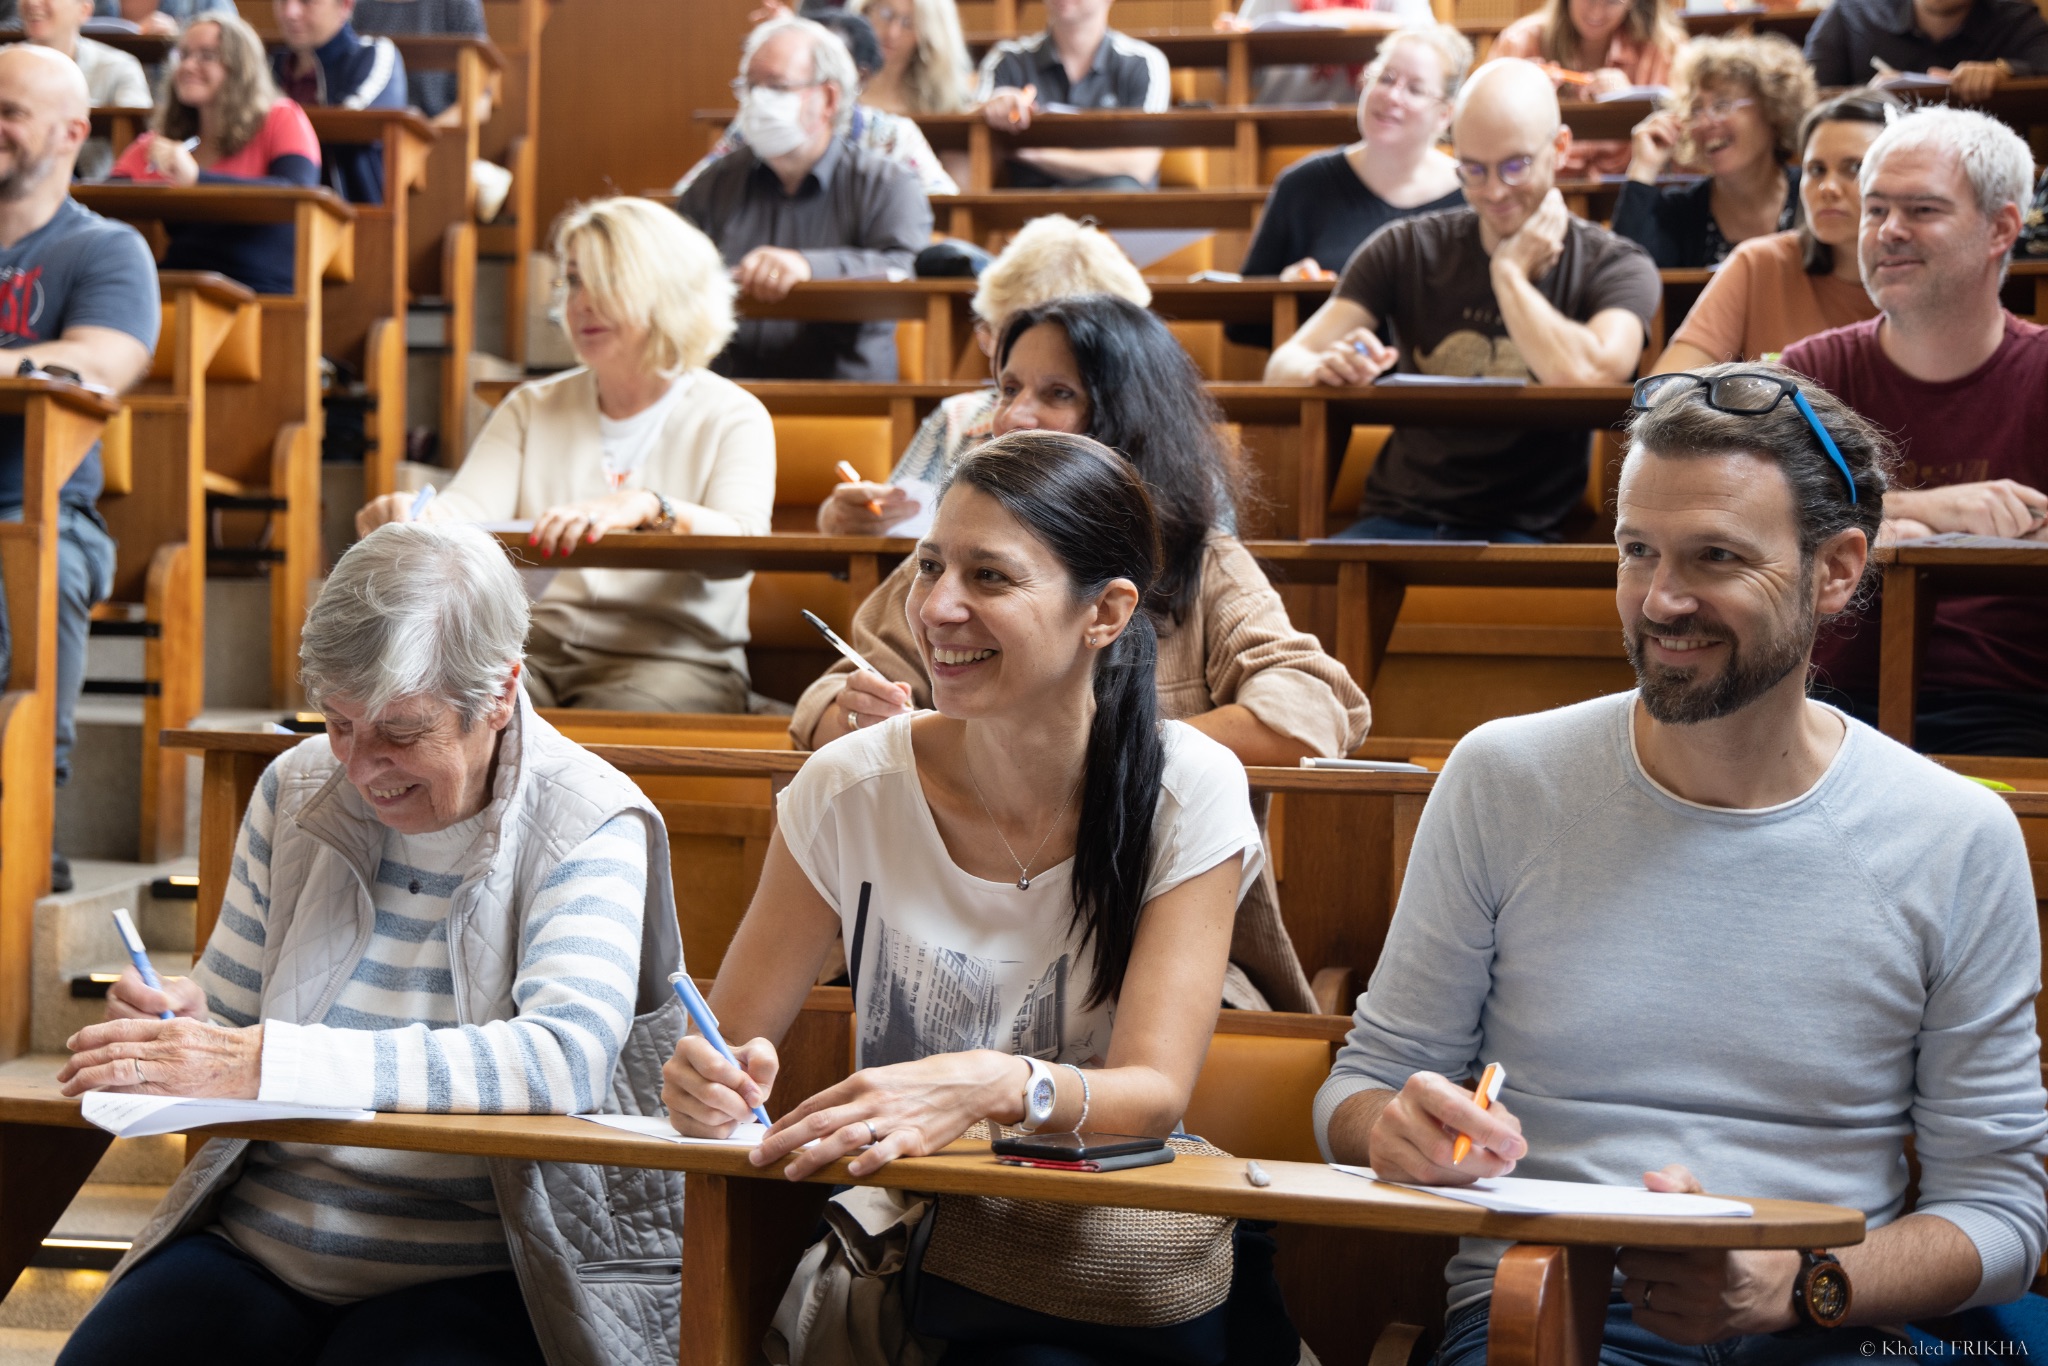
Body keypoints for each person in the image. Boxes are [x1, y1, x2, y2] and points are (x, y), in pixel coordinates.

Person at [1317, 361, 2048, 1362]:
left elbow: (2001, 1213)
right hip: (1548, 1313)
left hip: (1823, 1324)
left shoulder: (1952, 834)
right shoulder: (1502, 777)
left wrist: (1801, 1287)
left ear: (1834, 570)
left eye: (1712, 557)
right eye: (1634, 552)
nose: (1659, 601)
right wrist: (1383, 1129)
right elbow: (1359, 1084)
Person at [665, 432, 1312, 1363]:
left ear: (1107, 612)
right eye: (930, 566)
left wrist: (991, 1084)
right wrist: (706, 1089)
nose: (935, 609)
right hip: (916, 1251)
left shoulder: (1189, 786)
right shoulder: (844, 786)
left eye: (991, 578)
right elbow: (725, 1054)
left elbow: (1152, 1094)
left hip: (1101, 1250)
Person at [54, 522, 690, 1366]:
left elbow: (563, 1059)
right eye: (340, 722)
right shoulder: (296, 786)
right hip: (266, 1240)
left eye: (402, 730)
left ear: (499, 694)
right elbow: (234, 1012)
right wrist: (185, 1016)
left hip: (484, 1263)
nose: (361, 766)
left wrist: (280, 1063)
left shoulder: (588, 819)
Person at [797, 295, 1371, 1014]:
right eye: (1007, 389)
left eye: (1057, 393)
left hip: (1144, 942)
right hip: (951, 938)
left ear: (1126, 416)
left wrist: (1088, 757)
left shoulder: (1200, 562)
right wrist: (854, 716)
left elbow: (1310, 708)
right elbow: (826, 700)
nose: (1013, 415)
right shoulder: (955, 553)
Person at [356, 199, 773, 714]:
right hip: (533, 651)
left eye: (605, 280)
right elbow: (462, 513)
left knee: (605, 732)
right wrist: (412, 515)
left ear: (667, 290)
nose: (581, 304)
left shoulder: (734, 414)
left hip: (675, 657)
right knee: (446, 709)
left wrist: (652, 506)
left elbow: (744, 545)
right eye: (573, 281)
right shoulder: (531, 405)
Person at [1265, 58, 1660, 543]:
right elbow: (1283, 365)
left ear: (1560, 148)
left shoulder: (1617, 264)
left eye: (1515, 166)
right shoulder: (1404, 246)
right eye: (1473, 170)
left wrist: (1509, 275)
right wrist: (1326, 367)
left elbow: (1591, 374)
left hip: (1525, 531)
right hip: (1397, 516)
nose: (1494, 191)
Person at [1781, 106, 2048, 756]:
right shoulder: (1810, 373)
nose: (1888, 232)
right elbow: (1759, 524)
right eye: (1876, 211)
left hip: (2014, 714)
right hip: (1820, 714)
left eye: (1922, 211)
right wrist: (1919, 510)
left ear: (2001, 228)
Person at [0, 46, 156, 893]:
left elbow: (97, 364)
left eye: (9, 111)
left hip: (41, 507)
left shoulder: (106, 250)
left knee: (43, 565)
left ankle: (30, 822)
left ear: (72, 131)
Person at [817, 212, 1150, 536]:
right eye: (1006, 340)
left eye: (1059, 391)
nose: (1017, 414)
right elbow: (888, 523)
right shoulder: (957, 418)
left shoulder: (1152, 435)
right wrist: (843, 521)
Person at [679, 16, 931, 382]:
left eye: (776, 87)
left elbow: (905, 269)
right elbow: (673, 269)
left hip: (847, 401)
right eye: (749, 87)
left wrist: (809, 268)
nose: (757, 101)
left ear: (828, 98)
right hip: (729, 393)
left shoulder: (887, 183)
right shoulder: (715, 183)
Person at [1231, 25, 1470, 350]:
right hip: (1329, 386)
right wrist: (1285, 292)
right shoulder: (1302, 185)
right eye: (1385, 78)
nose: (1392, 96)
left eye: (1415, 89)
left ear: (1445, 115)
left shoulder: (1473, 194)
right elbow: (1239, 324)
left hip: (1441, 393)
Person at [1653, 93, 1890, 372]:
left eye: (1855, 168)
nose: (1827, 187)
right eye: (1816, 169)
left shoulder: (1929, 273)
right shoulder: (1758, 263)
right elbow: (1665, 391)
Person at [110, 14, 321, 298]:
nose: (187, 66)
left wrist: (197, 179)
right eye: (182, 55)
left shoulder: (282, 117)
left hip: (258, 287)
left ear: (240, 67)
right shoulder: (164, 140)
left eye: (206, 56)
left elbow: (297, 195)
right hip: (182, 279)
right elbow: (106, 197)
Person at [675, 8, 957, 199]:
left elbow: (943, 207)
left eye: (827, 65)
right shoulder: (756, 124)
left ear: (856, 78)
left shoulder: (892, 135)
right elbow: (686, 195)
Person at [1611, 34, 1810, 269]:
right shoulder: (1682, 213)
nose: (1705, 122)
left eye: (1722, 105)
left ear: (1772, 110)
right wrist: (1643, 168)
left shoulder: (1811, 196)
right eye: (1696, 110)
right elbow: (1624, 271)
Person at [975, 0, 1169, 190]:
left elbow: (1141, 165)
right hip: (1026, 208)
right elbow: (968, 122)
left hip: (1112, 209)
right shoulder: (1007, 59)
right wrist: (993, 107)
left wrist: (1036, 154)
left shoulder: (1144, 63)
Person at [1488, 0, 1684, 178]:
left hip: (1631, 191)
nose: (1597, 11)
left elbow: (1684, 142)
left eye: (1612, 1)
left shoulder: (1664, 49)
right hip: (1537, 189)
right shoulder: (1519, 43)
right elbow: (1483, 128)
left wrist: (1630, 101)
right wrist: (1522, 98)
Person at [271, 0, 408, 206]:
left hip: (352, 218)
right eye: (281, 1)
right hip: (270, 212)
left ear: (345, 5)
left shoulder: (373, 54)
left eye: (307, 2)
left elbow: (353, 120)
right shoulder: (268, 64)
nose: (290, 12)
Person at [1805, 0, 2048, 101]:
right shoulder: (1854, 12)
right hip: (1868, 164)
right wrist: (1866, 100)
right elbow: (1806, 96)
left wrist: (2005, 71)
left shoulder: (2014, 16)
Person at [1219, 0, 1440, 106]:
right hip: (1283, 119)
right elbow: (1237, 77)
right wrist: (1231, 41)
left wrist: (1313, 21)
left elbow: (1426, 40)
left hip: (1371, 121)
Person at [20, 0, 147, 178]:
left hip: (95, 190)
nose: (32, 3)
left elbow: (139, 138)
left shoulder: (119, 66)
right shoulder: (3, 61)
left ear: (84, 10)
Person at [351, 0, 484, 121]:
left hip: (439, 129)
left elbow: (481, 97)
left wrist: (427, 137)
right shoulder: (357, 7)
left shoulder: (460, 4)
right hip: (368, 128)